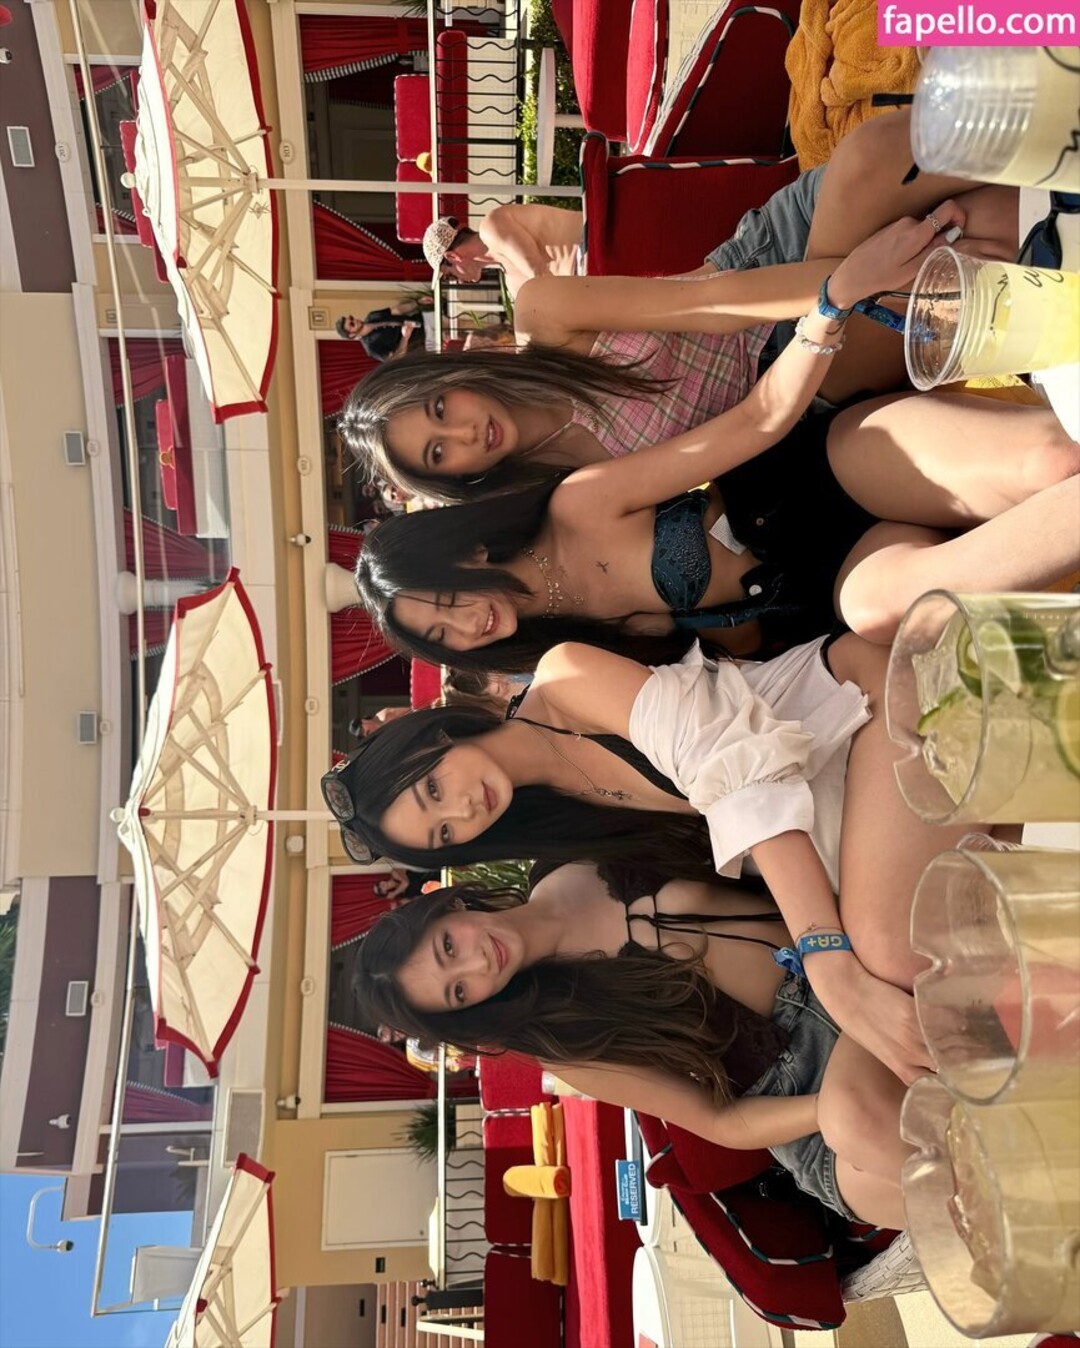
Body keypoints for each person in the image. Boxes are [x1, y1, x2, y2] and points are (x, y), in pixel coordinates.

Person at [351, 209, 1078, 666]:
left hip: (813, 478)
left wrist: (832, 305)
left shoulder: (577, 504)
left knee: (1053, 459)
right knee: (880, 608)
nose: (466, 621)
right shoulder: (568, 658)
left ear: (465, 551)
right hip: (836, 593)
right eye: (441, 636)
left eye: (446, 598)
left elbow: (756, 420)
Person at [322, 628, 991, 1087]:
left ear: (432, 737)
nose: (464, 810)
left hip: (855, 715)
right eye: (444, 833)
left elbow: (734, 765)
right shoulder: (566, 832)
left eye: (434, 789)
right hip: (840, 827)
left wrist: (829, 963)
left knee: (888, 952)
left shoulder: (565, 680)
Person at [347, 109, 1021, 507]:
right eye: (439, 452)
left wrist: (850, 277)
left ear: (449, 376)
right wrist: (846, 295)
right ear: (451, 479)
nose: (465, 435)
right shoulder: (565, 488)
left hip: (758, 268)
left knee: (873, 160)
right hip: (796, 373)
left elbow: (709, 300)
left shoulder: (545, 312)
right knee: (968, 239)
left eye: (442, 411)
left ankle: (1057, 107)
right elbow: (757, 424)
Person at [351, 865, 914, 1229]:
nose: (477, 965)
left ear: (447, 909)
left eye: (449, 947)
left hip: (840, 957)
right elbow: (721, 1121)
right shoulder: (565, 1040)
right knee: (881, 1147)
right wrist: (828, 1111)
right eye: (458, 992)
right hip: (808, 1098)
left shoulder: (572, 855)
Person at [423, 207, 585, 297]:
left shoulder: (491, 226)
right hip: (586, 280)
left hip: (590, 245)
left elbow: (541, 276)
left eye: (449, 275)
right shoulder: (512, 284)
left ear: (452, 256)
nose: (458, 281)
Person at [337, 298, 431, 362]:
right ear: (351, 335)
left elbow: (398, 310)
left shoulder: (372, 316)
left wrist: (417, 302)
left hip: (422, 319)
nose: (355, 320)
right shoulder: (371, 347)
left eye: (351, 318)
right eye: (352, 324)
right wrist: (405, 337)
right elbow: (396, 358)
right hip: (423, 341)